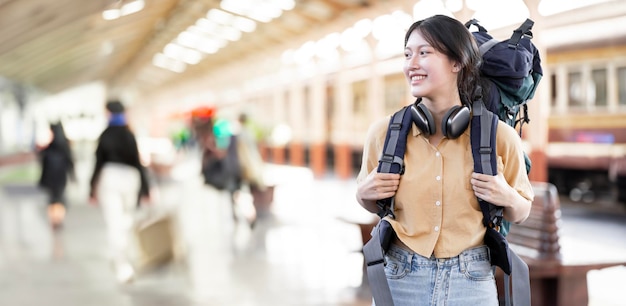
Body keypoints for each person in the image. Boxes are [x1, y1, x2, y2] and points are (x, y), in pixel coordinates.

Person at [355, 15, 534, 306]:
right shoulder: (383, 134)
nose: (411, 64)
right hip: (400, 278)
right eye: (407, 54)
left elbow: (521, 210)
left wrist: (507, 196)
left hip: (472, 281)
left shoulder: (499, 136)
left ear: (457, 62)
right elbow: (372, 202)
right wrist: (362, 195)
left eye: (424, 53)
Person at [89, 100, 151, 284]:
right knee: (126, 218)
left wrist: (91, 189)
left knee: (114, 221)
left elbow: (98, 164)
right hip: (131, 180)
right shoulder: (129, 135)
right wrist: (146, 189)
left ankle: (121, 262)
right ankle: (127, 251)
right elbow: (138, 164)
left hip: (110, 179)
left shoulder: (105, 136)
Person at [38, 122, 75, 230]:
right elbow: (70, 163)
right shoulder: (65, 146)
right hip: (60, 176)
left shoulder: (50, 147)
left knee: (53, 199)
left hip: (51, 176)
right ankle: (58, 219)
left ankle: (54, 219)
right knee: (59, 198)